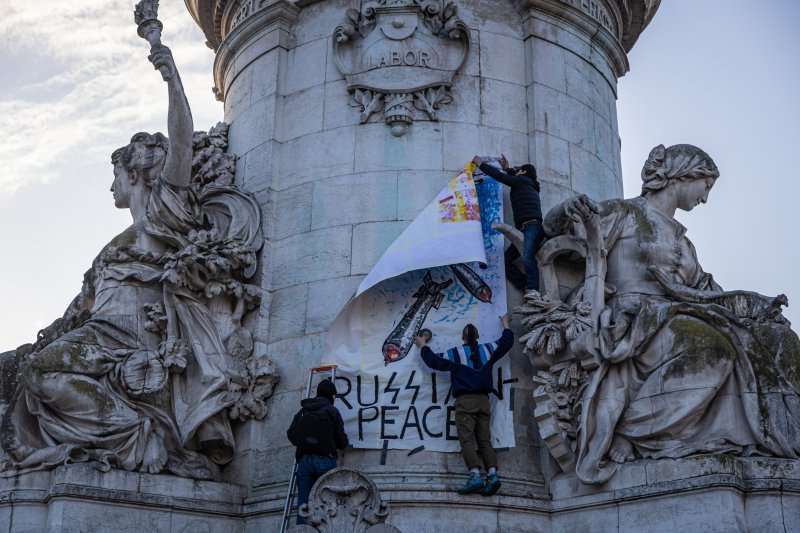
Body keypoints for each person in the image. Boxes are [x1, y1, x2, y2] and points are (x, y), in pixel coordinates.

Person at [544, 144, 800, 484]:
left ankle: (774, 440)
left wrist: (757, 308)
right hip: (634, 319)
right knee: (709, 349)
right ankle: (631, 430)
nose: (705, 199)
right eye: (705, 186)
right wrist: (567, 207)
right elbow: (553, 227)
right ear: (682, 175)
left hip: (679, 316)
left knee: (779, 340)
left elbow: (709, 292)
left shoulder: (686, 244)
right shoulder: (623, 213)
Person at [414, 314, 513, 496]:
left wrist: (422, 345)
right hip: (484, 401)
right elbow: (506, 342)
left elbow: (434, 361)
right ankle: (492, 475)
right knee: (484, 440)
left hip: (465, 401)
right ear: (477, 336)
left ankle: (474, 476)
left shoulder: (455, 354)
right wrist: (505, 323)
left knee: (467, 439)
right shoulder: (488, 349)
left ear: (463, 337)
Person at [472, 154, 543, 292]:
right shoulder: (526, 183)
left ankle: (534, 290)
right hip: (525, 229)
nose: (516, 172)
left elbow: (502, 178)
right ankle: (525, 286)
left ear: (523, 172)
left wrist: (481, 164)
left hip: (531, 227)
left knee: (527, 256)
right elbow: (512, 177)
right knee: (506, 261)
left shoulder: (523, 181)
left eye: (518, 170)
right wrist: (507, 168)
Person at [287, 378, 349, 524]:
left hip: (304, 461)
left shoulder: (303, 410)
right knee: (327, 503)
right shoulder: (332, 411)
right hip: (325, 460)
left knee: (304, 503)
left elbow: (291, 434)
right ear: (331, 395)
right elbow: (342, 442)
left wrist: (305, 443)